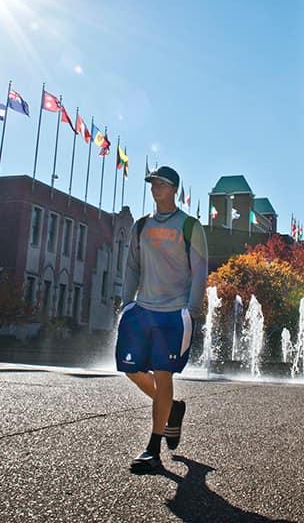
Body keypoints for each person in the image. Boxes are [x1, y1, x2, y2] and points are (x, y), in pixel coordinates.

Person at [115, 165, 208, 473]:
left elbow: (200, 270)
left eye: (162, 184)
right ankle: (173, 408)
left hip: (173, 312)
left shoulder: (190, 226)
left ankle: (153, 448)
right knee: (130, 368)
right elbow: (131, 267)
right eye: (153, 183)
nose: (155, 188)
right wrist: (127, 303)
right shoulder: (140, 226)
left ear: (174, 189)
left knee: (163, 372)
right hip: (142, 309)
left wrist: (191, 310)